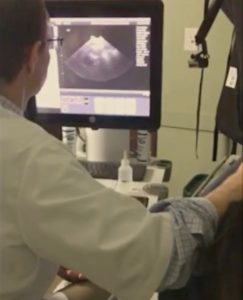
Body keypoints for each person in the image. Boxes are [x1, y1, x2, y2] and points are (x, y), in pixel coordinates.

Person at [0, 1, 242, 300]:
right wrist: (231, 188)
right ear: (32, 56)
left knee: (99, 285)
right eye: (52, 42)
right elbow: (164, 258)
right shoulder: (28, 156)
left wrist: (48, 246)